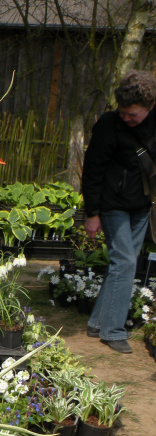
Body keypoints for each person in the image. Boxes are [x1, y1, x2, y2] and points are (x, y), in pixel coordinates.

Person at [82, 70, 156, 353]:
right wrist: (92, 213)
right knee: (124, 263)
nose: (127, 118)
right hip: (112, 205)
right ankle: (113, 331)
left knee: (123, 264)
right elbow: (92, 171)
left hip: (141, 205)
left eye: (133, 115)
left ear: (150, 108)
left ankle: (99, 322)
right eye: (123, 112)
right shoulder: (108, 125)